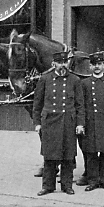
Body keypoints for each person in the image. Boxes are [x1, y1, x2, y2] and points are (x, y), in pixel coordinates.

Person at [33, 51, 84, 196]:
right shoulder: (45, 79)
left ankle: (67, 185)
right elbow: (37, 103)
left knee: (68, 155)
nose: (62, 65)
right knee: (49, 156)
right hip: (49, 122)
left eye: (65, 62)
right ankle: (48, 186)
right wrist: (37, 123)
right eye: (59, 62)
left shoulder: (75, 80)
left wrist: (80, 124)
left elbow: (80, 105)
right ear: (53, 64)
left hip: (68, 121)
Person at [80, 51, 104, 191]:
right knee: (91, 153)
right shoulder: (84, 83)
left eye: (99, 64)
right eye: (94, 64)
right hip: (90, 122)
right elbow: (81, 105)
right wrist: (82, 123)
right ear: (90, 67)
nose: (97, 67)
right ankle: (92, 181)